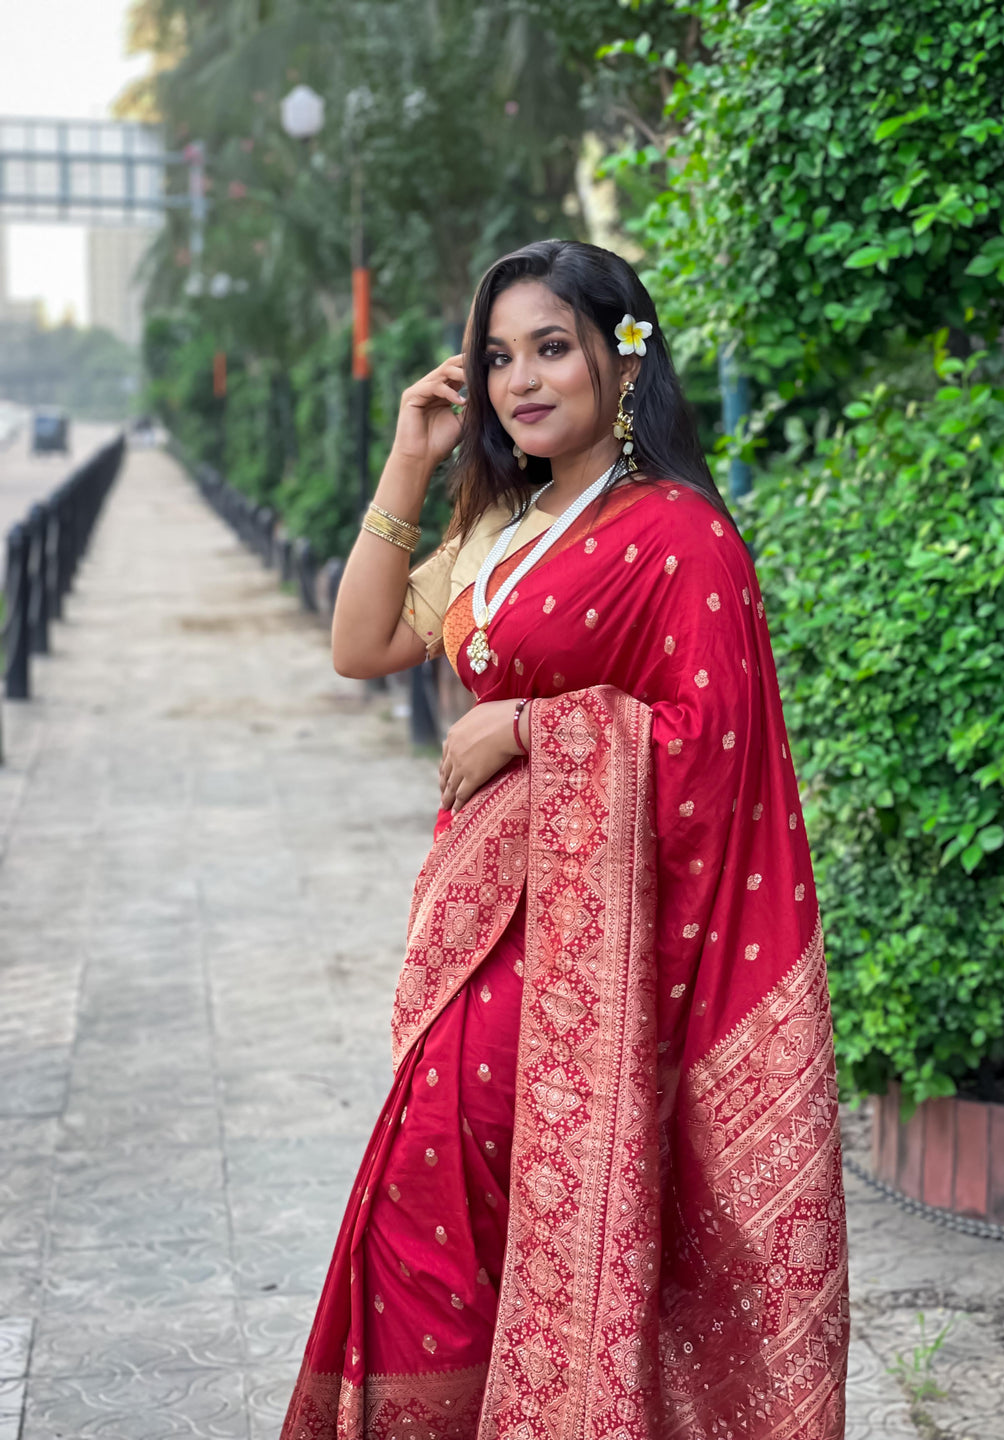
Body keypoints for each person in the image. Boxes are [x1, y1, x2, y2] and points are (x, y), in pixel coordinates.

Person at [280, 239, 849, 1440]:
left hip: (588, 980)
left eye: (552, 347)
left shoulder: (682, 538)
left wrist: (536, 728)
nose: (521, 381)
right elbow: (362, 642)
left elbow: (719, 754)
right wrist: (409, 458)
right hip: (481, 945)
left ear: (624, 361)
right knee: (430, 1246)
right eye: (498, 357)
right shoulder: (510, 527)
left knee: (461, 1236)